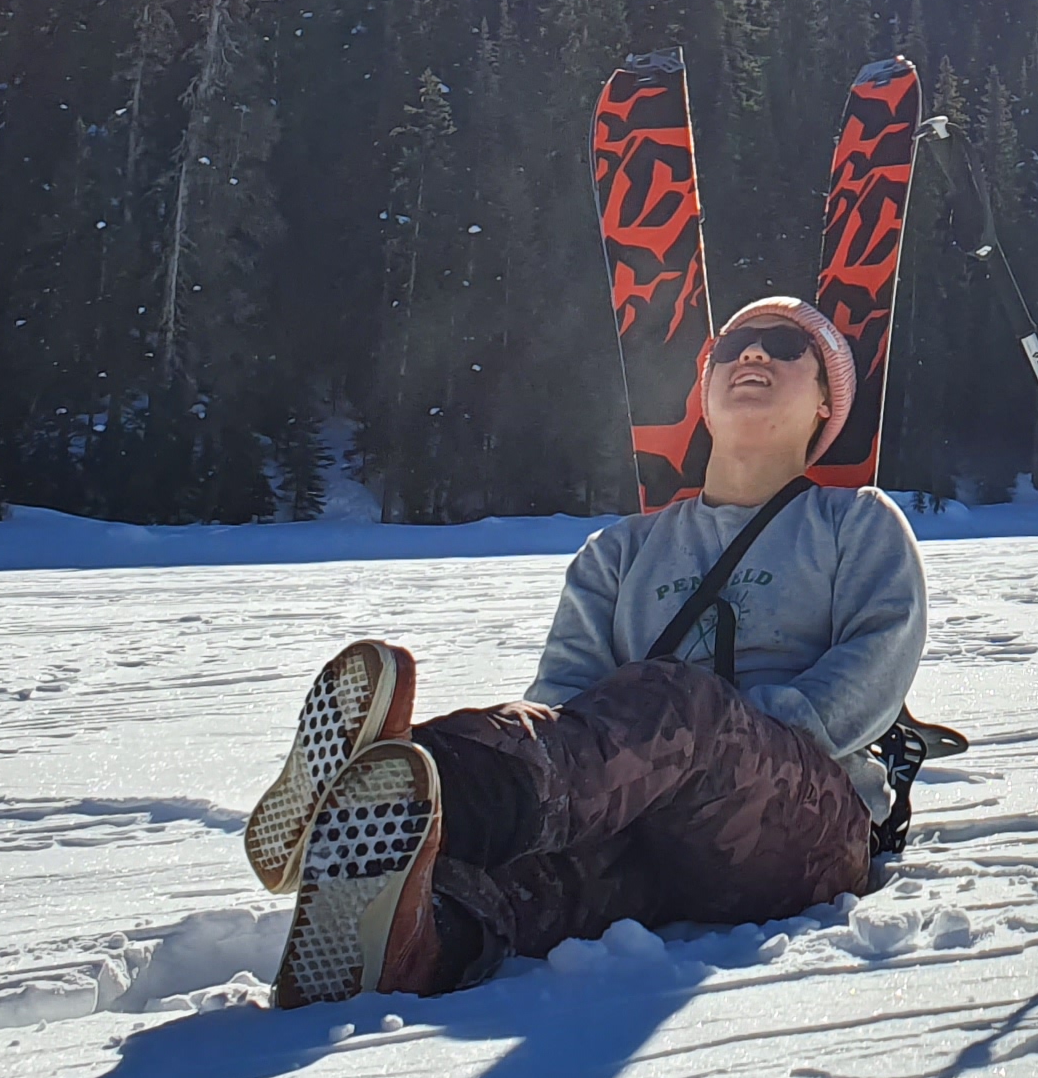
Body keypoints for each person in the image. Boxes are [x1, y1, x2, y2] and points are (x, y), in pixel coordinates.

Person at [243, 296, 929, 1007]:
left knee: (677, 703)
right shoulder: (620, 550)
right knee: (525, 874)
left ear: (826, 401)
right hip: (647, 829)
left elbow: (878, 655)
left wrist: (743, 731)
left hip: (801, 828)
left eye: (785, 346)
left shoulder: (854, 521)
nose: (752, 354)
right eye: (734, 345)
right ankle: (406, 942)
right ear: (704, 390)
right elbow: (566, 703)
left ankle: (412, 778)